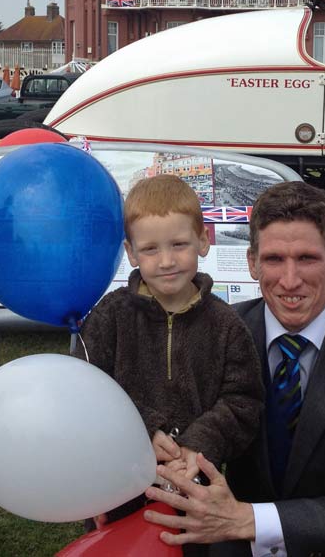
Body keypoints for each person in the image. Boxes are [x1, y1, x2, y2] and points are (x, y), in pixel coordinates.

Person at [146, 181, 325, 556]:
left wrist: (250, 520)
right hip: (238, 530)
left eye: (307, 259)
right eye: (275, 259)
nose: (290, 281)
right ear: (252, 263)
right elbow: (175, 428)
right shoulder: (216, 332)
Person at [74, 174, 263, 531]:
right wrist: (144, 430)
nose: (166, 261)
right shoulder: (109, 316)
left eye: (178, 244)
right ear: (130, 252)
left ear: (203, 240)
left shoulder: (227, 324)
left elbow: (243, 401)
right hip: (117, 487)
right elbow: (86, 390)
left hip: (196, 490)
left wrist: (197, 445)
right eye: (150, 249)